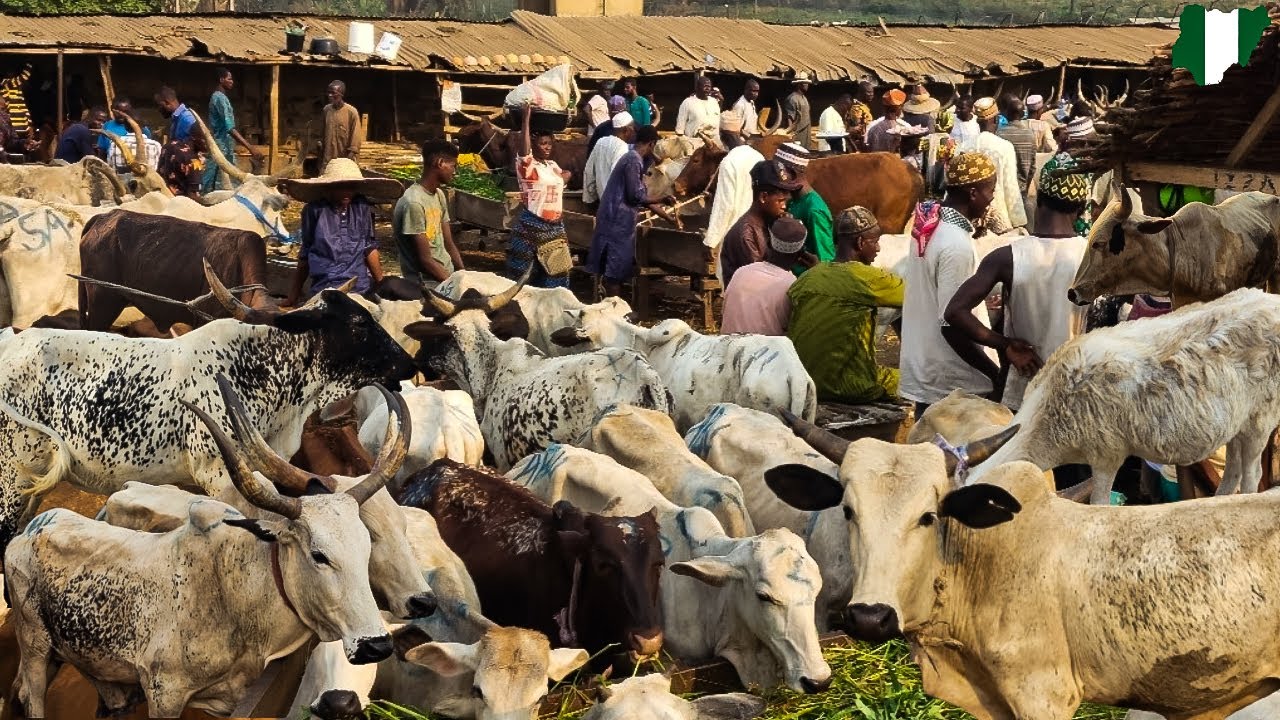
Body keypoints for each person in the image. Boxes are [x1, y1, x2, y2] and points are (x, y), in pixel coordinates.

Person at [942, 157, 1090, 411]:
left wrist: (1006, 344)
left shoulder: (1006, 257)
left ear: (1039, 201)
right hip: (1080, 384)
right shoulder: (1093, 258)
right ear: (1079, 208)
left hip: (1024, 386)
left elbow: (955, 312)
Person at [897, 151, 1000, 416]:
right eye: (991, 190)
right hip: (953, 381)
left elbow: (936, 294)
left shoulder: (928, 225)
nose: (992, 198)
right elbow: (951, 324)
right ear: (973, 193)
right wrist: (994, 373)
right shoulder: (956, 245)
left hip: (928, 368)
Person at [787, 206, 905, 403]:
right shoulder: (868, 279)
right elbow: (915, 296)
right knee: (918, 380)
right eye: (875, 242)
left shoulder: (808, 278)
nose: (878, 248)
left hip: (804, 380)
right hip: (850, 385)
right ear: (860, 243)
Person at [285, 158, 403, 304]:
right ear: (329, 187)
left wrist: (381, 286)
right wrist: (293, 296)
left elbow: (369, 248)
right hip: (325, 288)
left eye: (351, 187)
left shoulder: (361, 207)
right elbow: (305, 254)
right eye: (341, 187)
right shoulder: (314, 210)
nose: (347, 192)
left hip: (359, 287)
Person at [586, 125, 678, 298]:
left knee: (613, 271)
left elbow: (643, 197)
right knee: (615, 272)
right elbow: (636, 196)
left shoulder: (632, 159)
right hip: (618, 222)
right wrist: (663, 199)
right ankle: (614, 308)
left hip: (615, 220)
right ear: (651, 144)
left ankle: (609, 305)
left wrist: (668, 218)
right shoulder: (633, 160)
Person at [507, 104, 573, 288]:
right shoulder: (527, 167)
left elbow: (565, 175)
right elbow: (524, 150)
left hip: (554, 229)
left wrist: (565, 176)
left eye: (549, 143)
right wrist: (526, 119)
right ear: (533, 145)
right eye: (542, 144)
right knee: (523, 279)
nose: (547, 147)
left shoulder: (552, 166)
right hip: (531, 228)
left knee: (557, 277)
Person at [393, 140, 466, 289]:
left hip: (446, 278)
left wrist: (464, 275)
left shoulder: (439, 195)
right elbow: (425, 261)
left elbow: (449, 244)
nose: (455, 172)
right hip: (427, 284)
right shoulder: (414, 203)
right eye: (453, 166)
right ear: (440, 163)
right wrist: (454, 285)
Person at [703, 112, 766, 284]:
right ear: (739, 132)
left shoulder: (729, 162)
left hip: (736, 234)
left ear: (722, 135)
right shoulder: (758, 156)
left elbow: (725, 205)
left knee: (735, 284)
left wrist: (711, 240)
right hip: (759, 231)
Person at [718, 159, 801, 287]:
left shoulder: (769, 222)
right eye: (780, 201)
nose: (784, 206)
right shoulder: (746, 233)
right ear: (763, 197)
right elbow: (762, 281)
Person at [720, 216, 807, 335]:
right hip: (764, 347)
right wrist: (817, 268)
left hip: (727, 343)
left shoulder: (741, 272)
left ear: (768, 243)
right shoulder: (791, 286)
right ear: (801, 253)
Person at [960, 96, 1025, 232]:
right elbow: (1010, 185)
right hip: (997, 214)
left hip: (968, 214)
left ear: (977, 121)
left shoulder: (964, 146)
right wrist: (1018, 221)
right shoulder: (1005, 147)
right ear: (996, 119)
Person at [774, 143, 833, 273]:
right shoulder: (792, 201)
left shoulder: (814, 210)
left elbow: (825, 261)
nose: (775, 178)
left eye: (778, 172)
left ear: (793, 174)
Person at [203, 68, 262, 193]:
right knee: (217, 178)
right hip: (221, 146)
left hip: (226, 146)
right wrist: (250, 147)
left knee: (226, 179)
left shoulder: (221, 98)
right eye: (229, 79)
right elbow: (229, 127)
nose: (232, 82)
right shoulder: (219, 98)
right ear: (221, 80)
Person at [583, 110, 635, 206]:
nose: (633, 132)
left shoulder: (601, 141)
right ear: (626, 130)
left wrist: (589, 199)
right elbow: (617, 178)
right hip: (616, 204)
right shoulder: (622, 147)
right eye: (632, 129)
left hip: (602, 201)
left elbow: (589, 172)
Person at [995, 94, 1035, 197]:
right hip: (1021, 187)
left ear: (1006, 114)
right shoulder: (1030, 134)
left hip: (1005, 187)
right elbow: (1032, 167)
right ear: (1023, 114)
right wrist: (1026, 187)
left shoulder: (999, 133)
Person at [321, 80, 362, 168]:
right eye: (328, 92)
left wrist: (348, 160)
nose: (330, 95)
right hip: (328, 158)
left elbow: (355, 139)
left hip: (345, 159)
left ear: (341, 94)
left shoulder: (351, 112)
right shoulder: (326, 110)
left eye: (333, 93)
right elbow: (323, 132)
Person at [156, 132, 205, 199]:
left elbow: (160, 169)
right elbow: (195, 186)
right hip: (183, 198)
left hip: (164, 193)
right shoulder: (194, 159)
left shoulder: (168, 146)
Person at [0, 65, 32, 152]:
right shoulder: (6, 83)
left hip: (22, 127)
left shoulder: (18, 90)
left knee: (21, 145)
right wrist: (29, 63)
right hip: (14, 125)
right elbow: (24, 77)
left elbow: (24, 109)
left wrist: (29, 124)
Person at [784, 72, 813, 150]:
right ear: (799, 85)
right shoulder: (792, 99)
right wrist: (790, 137)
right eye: (805, 83)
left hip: (805, 133)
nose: (807, 85)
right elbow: (789, 118)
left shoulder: (804, 98)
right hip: (797, 135)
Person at [846, 80, 875, 151]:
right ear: (860, 93)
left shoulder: (863, 106)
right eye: (869, 92)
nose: (871, 94)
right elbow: (859, 129)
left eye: (872, 92)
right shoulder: (856, 108)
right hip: (860, 144)